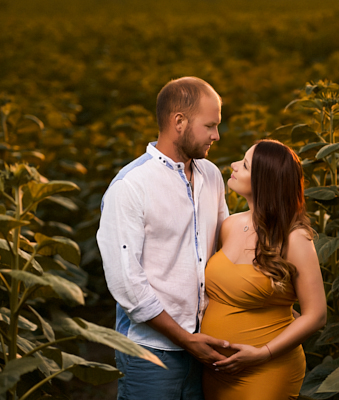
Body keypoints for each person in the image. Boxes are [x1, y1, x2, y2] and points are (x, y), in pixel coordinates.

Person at [96, 76, 230, 400]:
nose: (217, 135)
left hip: (205, 346)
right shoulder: (131, 186)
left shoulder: (211, 175)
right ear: (179, 121)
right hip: (150, 354)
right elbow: (128, 284)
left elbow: (227, 247)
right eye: (209, 126)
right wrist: (185, 339)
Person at [201, 139, 327, 400]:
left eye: (244, 165)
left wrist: (263, 352)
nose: (233, 166)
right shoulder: (229, 225)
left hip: (267, 368)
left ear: (263, 182)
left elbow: (316, 315)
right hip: (216, 372)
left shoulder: (295, 239)